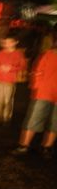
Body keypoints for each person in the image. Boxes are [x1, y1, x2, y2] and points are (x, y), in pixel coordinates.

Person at [13, 27, 57, 157]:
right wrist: (37, 88)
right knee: (33, 119)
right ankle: (24, 145)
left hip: (47, 92)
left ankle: (47, 147)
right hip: (44, 92)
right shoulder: (47, 55)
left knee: (55, 122)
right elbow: (37, 72)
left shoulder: (47, 54)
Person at [0, 34, 26, 124]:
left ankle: (6, 118)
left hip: (10, 80)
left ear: (15, 42)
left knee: (7, 100)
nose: (7, 44)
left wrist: (11, 68)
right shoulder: (0, 53)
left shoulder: (18, 54)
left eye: (9, 42)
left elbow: (22, 66)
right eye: (5, 43)